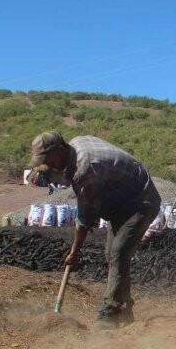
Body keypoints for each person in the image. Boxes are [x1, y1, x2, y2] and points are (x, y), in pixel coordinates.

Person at [27, 132, 161, 325]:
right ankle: (125, 309)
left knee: (118, 253)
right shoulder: (75, 144)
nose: (47, 164)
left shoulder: (86, 169)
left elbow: (85, 218)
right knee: (112, 255)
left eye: (49, 159)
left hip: (141, 202)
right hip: (119, 203)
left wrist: (74, 253)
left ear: (60, 149)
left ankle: (111, 312)